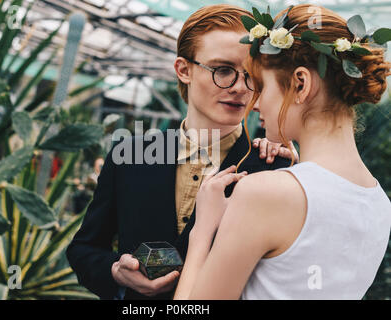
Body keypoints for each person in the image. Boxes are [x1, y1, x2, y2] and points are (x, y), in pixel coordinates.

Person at [66, 4, 295, 300]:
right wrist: (115, 271)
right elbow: (83, 249)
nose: (240, 87)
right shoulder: (130, 154)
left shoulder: (273, 165)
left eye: (251, 75)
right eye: (223, 70)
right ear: (184, 70)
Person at [173, 4, 391, 300]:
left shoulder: (265, 192)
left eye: (261, 86)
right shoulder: (379, 203)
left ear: (300, 85)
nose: (254, 102)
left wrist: (203, 231)